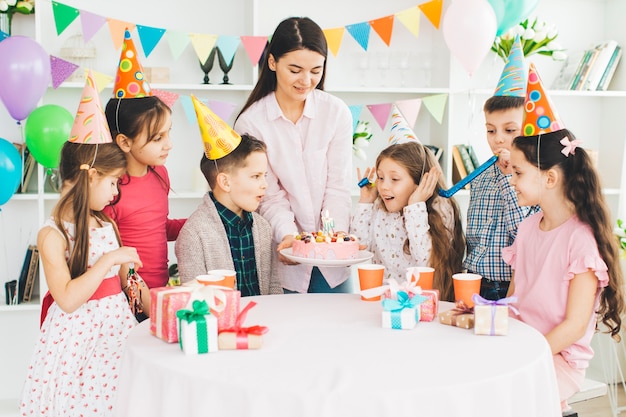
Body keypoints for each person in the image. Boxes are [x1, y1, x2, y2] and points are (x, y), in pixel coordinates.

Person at [504, 64, 624, 413]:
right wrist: (490, 316)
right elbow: (515, 297)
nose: (511, 180)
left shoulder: (581, 241)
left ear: (551, 179)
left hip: (557, 356)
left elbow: (572, 326)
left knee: (506, 396)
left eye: (519, 172)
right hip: (523, 343)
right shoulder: (528, 228)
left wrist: (528, 353)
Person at [20, 72, 142, 416]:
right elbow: (69, 299)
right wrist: (107, 261)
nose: (116, 192)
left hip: (116, 331)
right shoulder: (53, 234)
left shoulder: (105, 222)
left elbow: (124, 285)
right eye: (113, 182)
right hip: (77, 341)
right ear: (90, 175)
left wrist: (153, 299)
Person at [234, 17, 353, 293]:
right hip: (285, 258)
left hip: (332, 261)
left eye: (316, 70)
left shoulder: (336, 113)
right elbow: (269, 196)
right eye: (295, 70)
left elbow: (338, 187)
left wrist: (330, 241)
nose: (307, 81)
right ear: (273, 62)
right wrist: (291, 238)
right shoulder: (251, 123)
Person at [103, 30, 185, 313]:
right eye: (157, 138)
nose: (168, 145)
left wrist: (201, 220)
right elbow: (113, 259)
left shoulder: (160, 174)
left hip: (161, 294)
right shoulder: (110, 190)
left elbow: (159, 229)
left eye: (168, 134)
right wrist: (148, 306)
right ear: (124, 142)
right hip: (128, 303)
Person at [175, 96, 282, 295]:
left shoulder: (263, 228)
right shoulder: (194, 234)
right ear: (225, 182)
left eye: (264, 175)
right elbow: (194, 299)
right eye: (256, 176)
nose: (265, 184)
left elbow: (273, 285)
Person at [463, 35, 536, 300]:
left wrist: (508, 177)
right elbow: (473, 233)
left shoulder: (535, 179)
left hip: (510, 285)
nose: (499, 138)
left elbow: (524, 233)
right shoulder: (481, 175)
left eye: (509, 129)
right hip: (473, 279)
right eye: (491, 130)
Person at [350, 140, 465, 302]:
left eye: (394, 179)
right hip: (383, 303)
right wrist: (365, 202)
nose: (383, 186)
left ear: (420, 182)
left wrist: (415, 206)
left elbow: (425, 262)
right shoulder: (379, 208)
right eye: (381, 178)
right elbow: (357, 249)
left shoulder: (440, 208)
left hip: (422, 304)